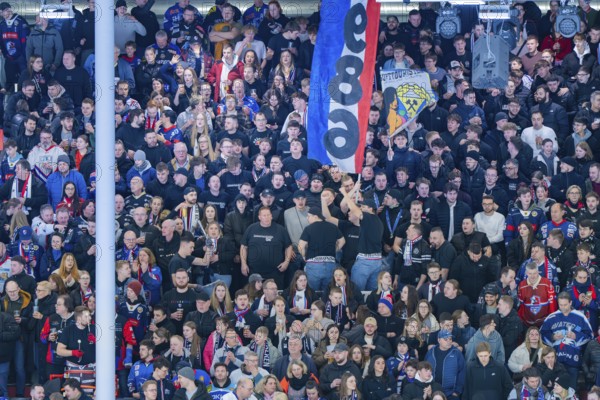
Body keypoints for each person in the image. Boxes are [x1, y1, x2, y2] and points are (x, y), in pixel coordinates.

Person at [541, 291, 593, 389]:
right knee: (556, 391)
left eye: (565, 305)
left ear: (570, 303)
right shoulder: (551, 317)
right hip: (556, 361)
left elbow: (590, 335)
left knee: (571, 390)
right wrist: (552, 337)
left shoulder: (580, 317)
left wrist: (576, 336)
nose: (563, 307)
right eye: (560, 305)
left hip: (573, 360)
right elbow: (542, 334)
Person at [424, 330, 465, 400]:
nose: (449, 341)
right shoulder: (431, 352)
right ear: (439, 340)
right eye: (446, 339)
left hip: (451, 393)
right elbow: (424, 369)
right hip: (434, 392)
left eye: (450, 339)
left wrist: (457, 391)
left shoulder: (456, 353)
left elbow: (462, 372)